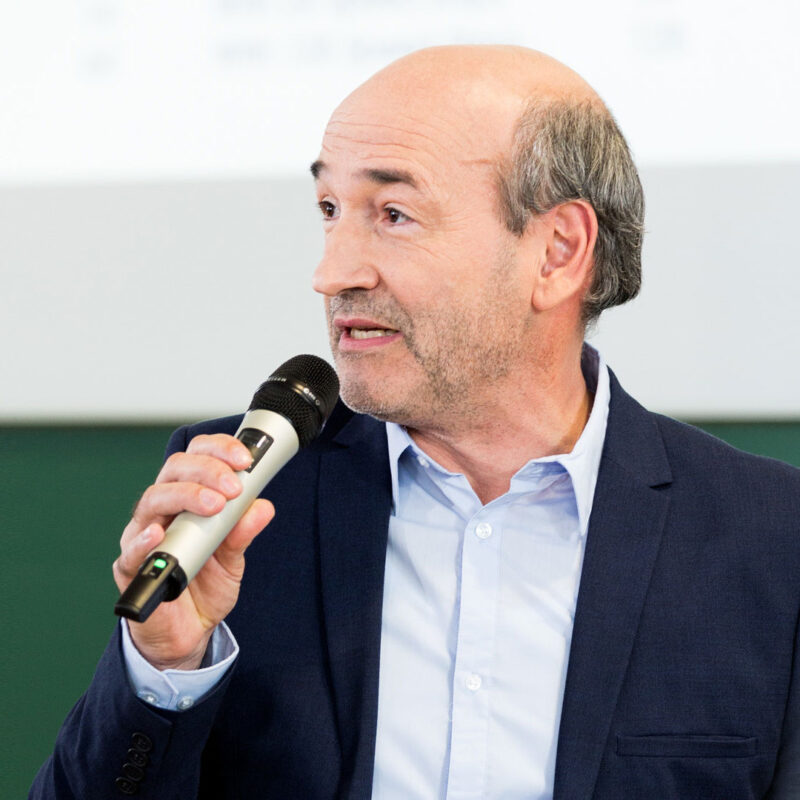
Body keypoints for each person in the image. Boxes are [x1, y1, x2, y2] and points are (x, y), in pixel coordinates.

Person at [31, 45, 800, 800]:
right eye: (330, 211)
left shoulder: (770, 538)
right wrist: (164, 669)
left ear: (558, 252)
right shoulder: (246, 499)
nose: (332, 273)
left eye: (394, 215)